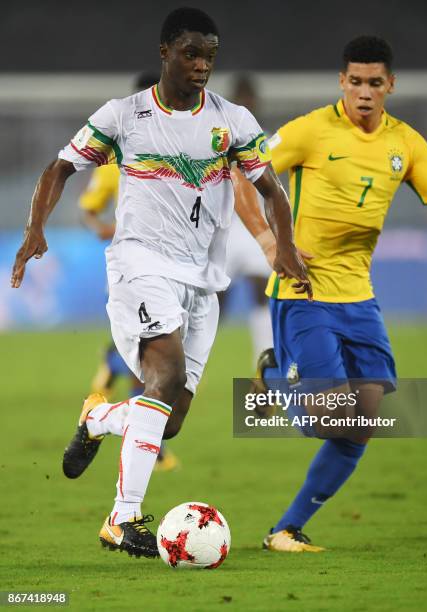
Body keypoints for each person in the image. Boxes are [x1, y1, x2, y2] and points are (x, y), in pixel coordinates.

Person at [11, 7, 310, 559]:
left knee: (168, 422)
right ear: (166, 52)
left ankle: (99, 417)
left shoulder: (231, 121)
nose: (202, 66)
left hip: (203, 282)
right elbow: (60, 168)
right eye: (192, 54)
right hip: (139, 266)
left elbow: (271, 190)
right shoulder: (124, 116)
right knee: (165, 372)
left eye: (210, 56)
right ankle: (122, 521)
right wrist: (34, 228)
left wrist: (284, 246)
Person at [242, 36, 427, 552]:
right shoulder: (310, 131)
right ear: (341, 82)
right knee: (330, 421)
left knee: (363, 424)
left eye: (374, 83)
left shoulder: (407, 144)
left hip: (360, 299)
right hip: (303, 291)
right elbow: (242, 175)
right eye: (355, 81)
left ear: (390, 85)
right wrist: (269, 243)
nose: (364, 92)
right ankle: (278, 376)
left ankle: (286, 529)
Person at [80, 71, 180, 473]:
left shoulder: (184, 153)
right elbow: (88, 209)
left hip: (174, 266)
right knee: (156, 359)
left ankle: (110, 366)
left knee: (161, 354)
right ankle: (152, 446)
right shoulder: (114, 159)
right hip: (132, 267)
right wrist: (106, 228)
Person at [221, 75, 275, 364]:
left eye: (250, 100)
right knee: (216, 300)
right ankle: (191, 363)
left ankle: (263, 361)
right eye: (241, 100)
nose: (247, 105)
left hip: (254, 228)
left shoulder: (266, 139)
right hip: (224, 229)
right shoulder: (217, 139)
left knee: (261, 290)